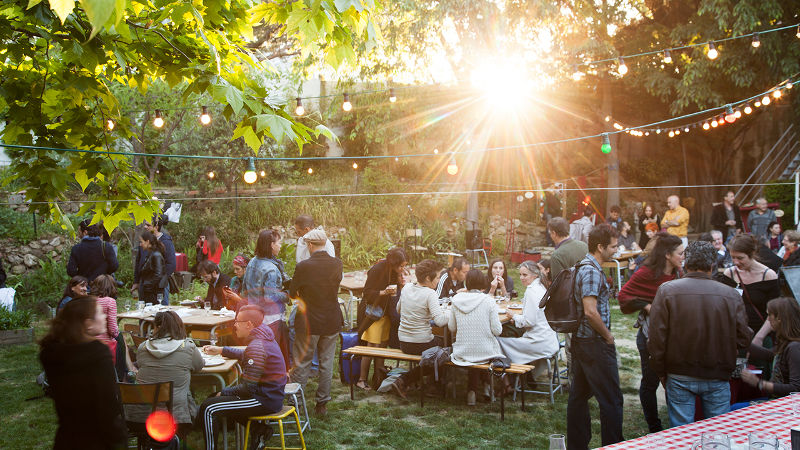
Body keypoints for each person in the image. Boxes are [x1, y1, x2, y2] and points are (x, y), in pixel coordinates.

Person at [648, 241, 752, 427]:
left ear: (686, 264)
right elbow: (744, 337)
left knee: (682, 435)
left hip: (680, 374)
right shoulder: (731, 295)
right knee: (717, 434)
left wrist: (661, 371)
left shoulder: (668, 291)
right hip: (716, 373)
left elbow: (656, 339)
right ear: (713, 266)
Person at [39, 296, 127, 449]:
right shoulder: (98, 354)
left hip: (66, 438)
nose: (105, 316)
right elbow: (108, 406)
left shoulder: (51, 354)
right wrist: (119, 439)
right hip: (97, 440)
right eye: (100, 313)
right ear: (88, 324)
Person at [617, 232, 684, 433]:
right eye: (680, 253)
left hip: (673, 337)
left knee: (673, 380)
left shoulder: (680, 273)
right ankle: (655, 427)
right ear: (667, 255)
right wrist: (647, 305)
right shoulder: (645, 273)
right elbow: (624, 296)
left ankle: (677, 423)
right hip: (649, 337)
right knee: (651, 381)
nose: (683, 257)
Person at [566, 224, 623, 449]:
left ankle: (577, 445)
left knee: (578, 397)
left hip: (583, 342)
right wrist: (608, 336)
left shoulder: (586, 265)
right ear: (600, 247)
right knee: (611, 400)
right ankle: (614, 445)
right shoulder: (590, 269)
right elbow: (590, 311)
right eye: (613, 247)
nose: (616, 251)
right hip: (594, 343)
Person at [198, 305, 287, 450]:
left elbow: (248, 389)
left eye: (237, 321)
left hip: (264, 400)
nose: (234, 325)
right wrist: (221, 350)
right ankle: (259, 430)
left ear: (248, 325)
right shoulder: (263, 338)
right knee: (214, 399)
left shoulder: (257, 346)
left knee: (209, 407)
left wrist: (224, 392)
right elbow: (246, 354)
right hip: (271, 395)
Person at [289, 229, 343, 416]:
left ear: (310, 245)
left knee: (302, 362)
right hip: (331, 319)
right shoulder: (337, 264)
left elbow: (293, 293)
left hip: (308, 321)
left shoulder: (304, 266)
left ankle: (297, 402)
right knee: (326, 363)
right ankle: (322, 404)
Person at [129, 311, 204, 440]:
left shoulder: (142, 348)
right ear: (179, 327)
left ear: (156, 327)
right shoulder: (188, 347)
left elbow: (142, 366)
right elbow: (199, 366)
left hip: (140, 417)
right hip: (176, 418)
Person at [389, 259, 451, 399]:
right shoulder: (430, 294)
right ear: (428, 278)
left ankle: (414, 381)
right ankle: (429, 385)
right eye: (438, 277)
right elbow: (440, 321)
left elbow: (399, 309)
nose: (439, 279)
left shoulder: (407, 288)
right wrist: (451, 313)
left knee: (438, 347)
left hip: (404, 342)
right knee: (445, 350)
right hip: (421, 342)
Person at [448, 269, 504, 406]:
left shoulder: (456, 300)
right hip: (485, 351)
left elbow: (451, 328)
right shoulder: (489, 301)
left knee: (474, 351)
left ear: (467, 283)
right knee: (483, 351)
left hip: (462, 352)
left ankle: (471, 391)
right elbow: (497, 330)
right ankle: (486, 387)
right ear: (483, 284)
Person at [356, 247, 407, 390]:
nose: (402, 269)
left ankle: (378, 377)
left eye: (404, 265)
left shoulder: (394, 271)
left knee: (383, 346)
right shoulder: (377, 269)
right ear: (393, 262)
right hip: (374, 313)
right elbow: (367, 293)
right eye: (401, 266)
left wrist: (400, 284)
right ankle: (361, 379)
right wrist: (383, 292)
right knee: (372, 347)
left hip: (386, 313)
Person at [497, 261, 558, 377]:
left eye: (525, 275)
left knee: (497, 342)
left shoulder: (532, 290)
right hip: (549, 340)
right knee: (511, 335)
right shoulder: (541, 286)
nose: (521, 278)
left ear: (535, 275)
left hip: (538, 343)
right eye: (520, 274)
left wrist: (513, 316)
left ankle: (506, 379)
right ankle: (524, 377)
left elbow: (530, 321)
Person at [242, 229, 291, 366]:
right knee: (273, 351)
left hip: (254, 314)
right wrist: (286, 296)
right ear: (271, 245)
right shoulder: (271, 268)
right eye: (279, 243)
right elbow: (270, 297)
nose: (280, 246)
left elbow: (244, 289)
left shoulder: (252, 262)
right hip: (271, 317)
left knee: (258, 350)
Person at [720, 234, 780, 334]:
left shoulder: (768, 276)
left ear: (752, 254)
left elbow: (774, 312)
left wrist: (759, 338)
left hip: (760, 332)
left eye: (740, 258)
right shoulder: (730, 274)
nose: (735, 262)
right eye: (732, 257)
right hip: (735, 332)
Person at [741, 297, 800, 397]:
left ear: (779, 318)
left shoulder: (794, 347)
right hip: (778, 402)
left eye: (769, 315)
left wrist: (759, 383)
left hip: (785, 406)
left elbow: (796, 388)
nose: (768, 319)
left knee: (734, 408)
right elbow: (770, 355)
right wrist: (741, 342)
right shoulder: (786, 342)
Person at [133, 215, 176, 306]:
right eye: (145, 225)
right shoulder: (144, 240)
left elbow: (171, 264)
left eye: (148, 225)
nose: (145, 227)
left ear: (156, 227)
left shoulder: (166, 241)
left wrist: (159, 281)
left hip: (158, 286)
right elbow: (138, 262)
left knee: (160, 311)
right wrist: (137, 281)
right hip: (145, 284)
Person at [136, 231, 166, 305]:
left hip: (153, 293)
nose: (140, 244)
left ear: (147, 242)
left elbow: (158, 274)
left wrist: (147, 285)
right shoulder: (150, 254)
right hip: (148, 292)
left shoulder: (156, 255)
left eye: (141, 242)